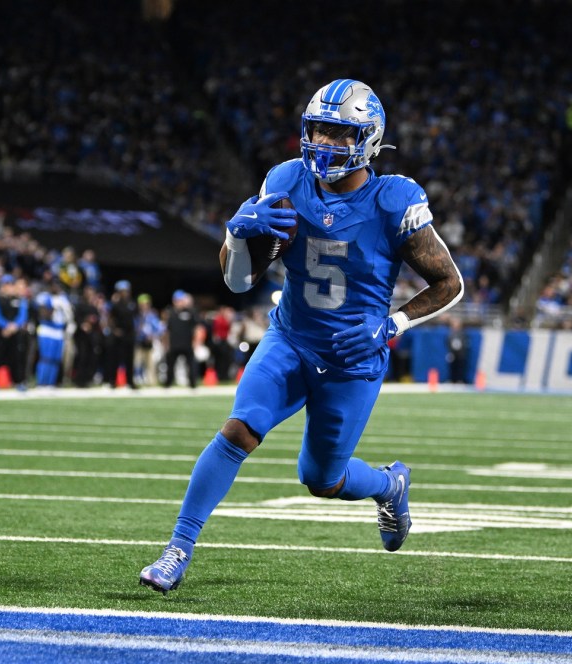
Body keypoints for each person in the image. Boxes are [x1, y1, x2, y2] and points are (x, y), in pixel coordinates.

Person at [140, 78, 463, 594]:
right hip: (290, 339)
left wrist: (393, 323)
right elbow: (239, 281)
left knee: (322, 480)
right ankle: (177, 548)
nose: (326, 143)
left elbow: (451, 283)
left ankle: (388, 484)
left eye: (340, 133)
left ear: (369, 138)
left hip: (353, 359)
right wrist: (234, 236)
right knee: (239, 430)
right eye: (318, 130)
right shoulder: (286, 182)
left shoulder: (393, 199)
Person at [162, 290, 197, 388]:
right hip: (174, 344)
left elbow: (196, 328)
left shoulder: (190, 312)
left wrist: (195, 342)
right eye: (178, 300)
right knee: (170, 365)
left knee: (190, 365)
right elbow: (167, 331)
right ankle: (168, 384)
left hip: (187, 343)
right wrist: (166, 344)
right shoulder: (170, 313)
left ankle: (193, 384)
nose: (180, 302)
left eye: (181, 300)